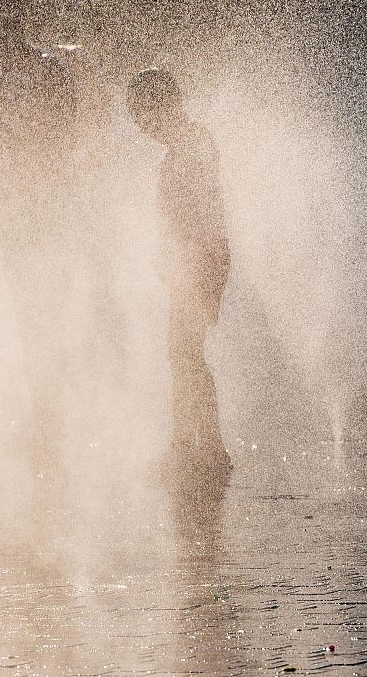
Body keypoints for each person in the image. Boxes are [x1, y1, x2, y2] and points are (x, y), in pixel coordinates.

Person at [0, 0, 78, 461]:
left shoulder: (53, 69)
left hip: (50, 208)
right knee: (25, 314)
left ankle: (53, 418)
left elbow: (62, 137)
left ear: (18, 20)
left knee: (48, 312)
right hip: (13, 212)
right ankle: (44, 416)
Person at [125, 68, 233, 479]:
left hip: (200, 259)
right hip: (192, 259)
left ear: (162, 106)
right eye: (137, 119)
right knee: (184, 354)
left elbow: (198, 209)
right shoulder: (182, 146)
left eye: (143, 114)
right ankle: (193, 446)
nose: (142, 126)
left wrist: (182, 255)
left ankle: (204, 449)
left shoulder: (193, 143)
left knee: (186, 353)